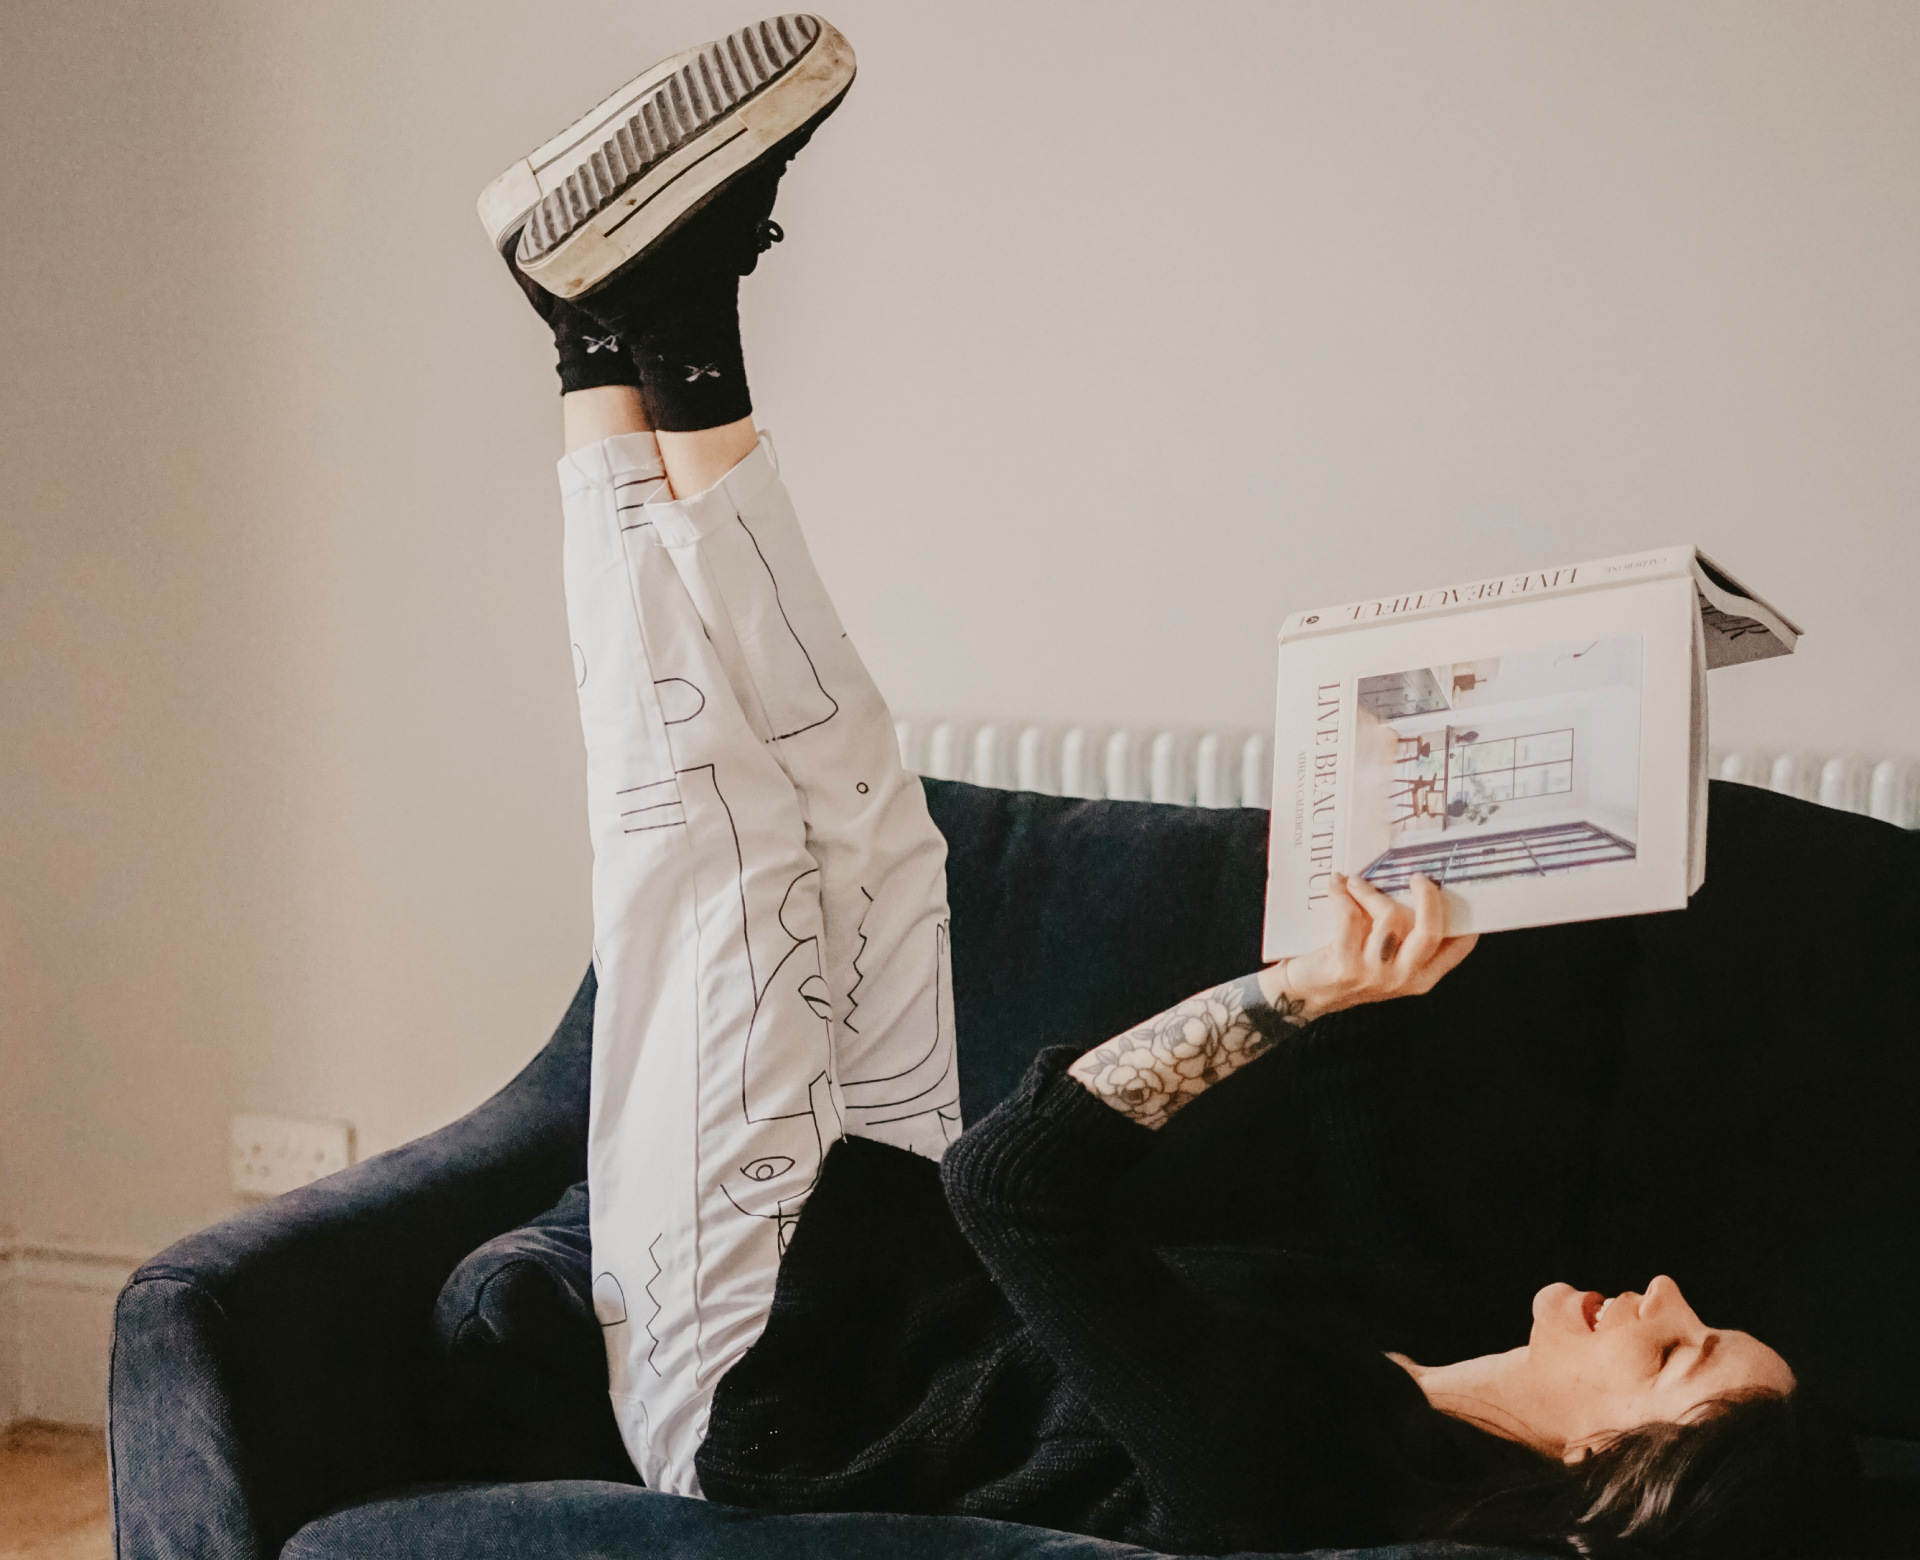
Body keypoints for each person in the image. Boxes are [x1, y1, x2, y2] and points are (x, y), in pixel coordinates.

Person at [480, 15, 1859, 1556]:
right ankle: (653, 318)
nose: (1667, 1296)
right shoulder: (1407, 1363)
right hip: (878, 1258)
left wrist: (1301, 997)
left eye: (1673, 1353)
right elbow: (1270, 1180)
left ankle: (588, 350)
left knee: (713, 851)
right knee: (866, 811)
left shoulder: (1301, 1473)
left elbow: (1019, 1188)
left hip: (752, 1378)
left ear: (1609, 1469)